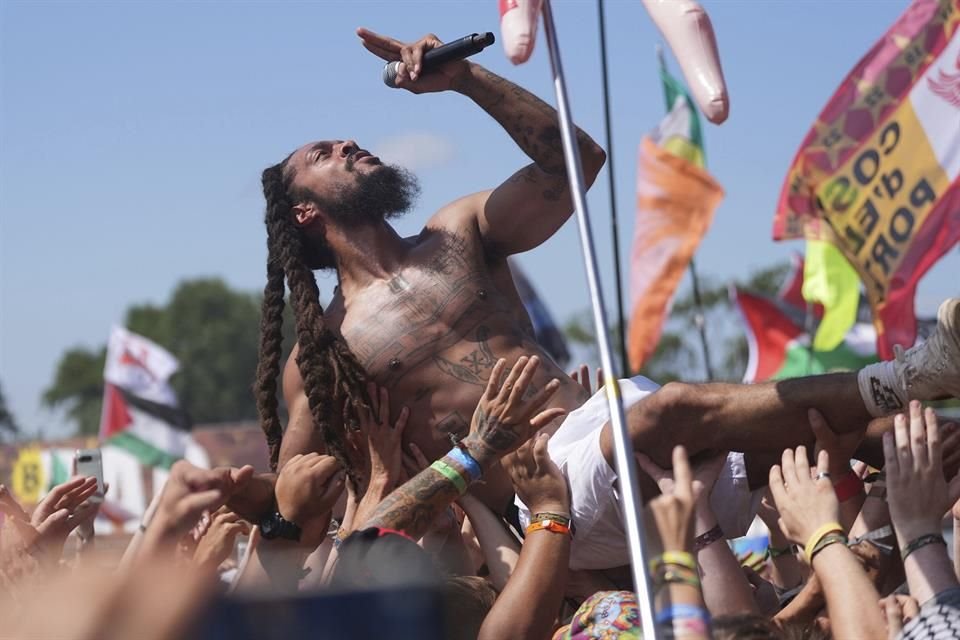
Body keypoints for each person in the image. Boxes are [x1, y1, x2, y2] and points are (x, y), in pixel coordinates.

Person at [254, 28, 960, 571]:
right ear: (305, 214)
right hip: (555, 493)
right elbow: (295, 484)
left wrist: (464, 78)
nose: (347, 142)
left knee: (878, 439)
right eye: (323, 153)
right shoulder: (326, 354)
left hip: (619, 420)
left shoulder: (457, 231)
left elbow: (576, 162)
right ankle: (913, 373)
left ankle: (925, 391)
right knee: (676, 407)